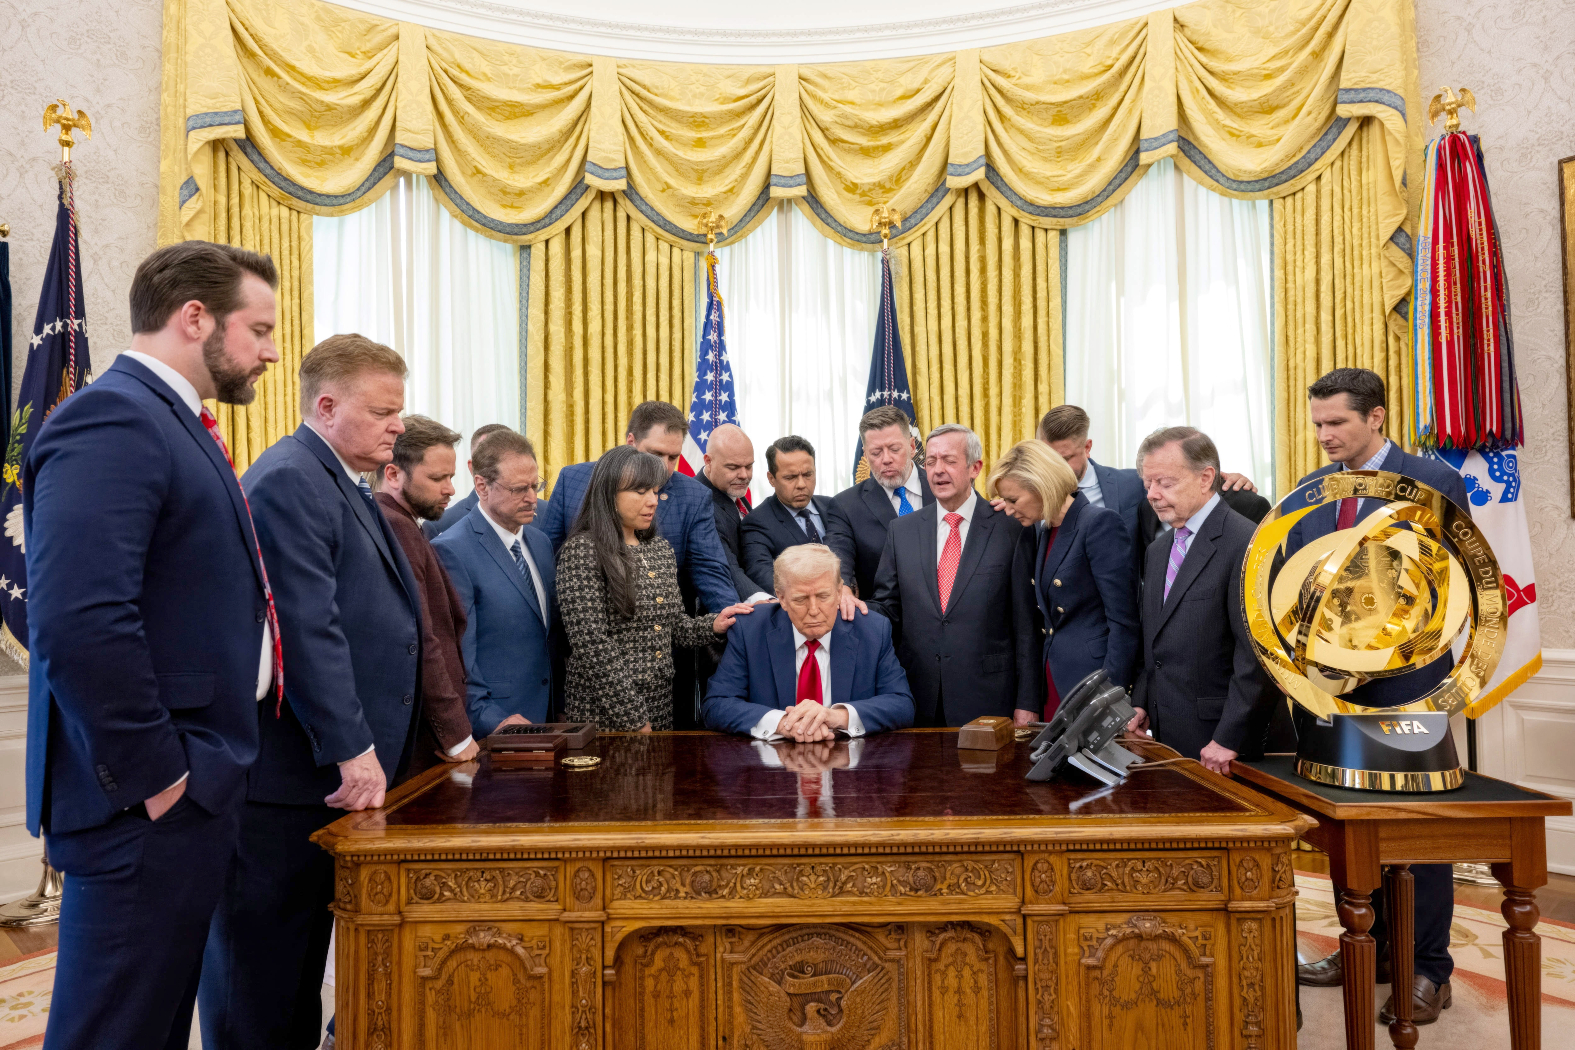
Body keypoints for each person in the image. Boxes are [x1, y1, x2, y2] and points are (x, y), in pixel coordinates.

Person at [24, 242, 279, 1050]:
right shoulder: (114, 417)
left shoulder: (172, 420)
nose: (272, 352)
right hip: (143, 804)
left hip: (185, 795)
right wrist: (161, 777)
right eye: (260, 329)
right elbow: (79, 621)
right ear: (194, 317)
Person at [201, 334, 421, 1050]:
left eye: (399, 411)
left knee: (295, 976)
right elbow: (304, 627)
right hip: (288, 779)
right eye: (382, 412)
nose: (398, 426)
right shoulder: (292, 477)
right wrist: (351, 748)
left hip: (317, 781)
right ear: (326, 407)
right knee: (259, 984)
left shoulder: (338, 477)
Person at [1289, 368, 1470, 1026]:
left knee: (1415, 832)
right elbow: (1297, 584)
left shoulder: (1432, 481)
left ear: (1376, 417)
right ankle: (1367, 950)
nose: (1323, 434)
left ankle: (1428, 970)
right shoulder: (1312, 490)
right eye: (1317, 423)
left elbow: (1447, 584)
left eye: (1336, 422)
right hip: (1332, 693)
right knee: (1350, 827)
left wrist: (1374, 652)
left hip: (1407, 687)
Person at [537, 401, 741, 729]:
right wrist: (633, 717)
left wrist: (714, 624)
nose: (652, 501)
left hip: (660, 705)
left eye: (655, 492)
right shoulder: (582, 551)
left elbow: (673, 626)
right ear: (610, 494)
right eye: (641, 491)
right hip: (605, 711)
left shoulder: (658, 549)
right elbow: (592, 646)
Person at [1124, 427, 1274, 771]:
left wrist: (1229, 738)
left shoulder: (1248, 544)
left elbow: (1257, 659)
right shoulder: (1158, 550)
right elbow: (1155, 640)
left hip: (1221, 745)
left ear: (1206, 478)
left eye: (1165, 483)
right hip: (1166, 736)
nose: (1152, 494)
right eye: (1148, 484)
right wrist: (1142, 701)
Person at [868, 425, 1037, 727]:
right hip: (919, 697)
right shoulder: (902, 530)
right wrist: (850, 606)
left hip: (990, 698)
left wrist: (1028, 701)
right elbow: (887, 608)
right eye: (930, 461)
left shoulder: (1011, 527)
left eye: (949, 460)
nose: (938, 470)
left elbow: (1026, 624)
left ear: (975, 468)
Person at [987, 439, 1139, 722]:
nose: (1007, 509)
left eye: (1013, 500)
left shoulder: (1099, 523)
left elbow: (1123, 623)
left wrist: (1109, 698)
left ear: (1041, 487)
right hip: (1054, 681)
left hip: (1091, 685)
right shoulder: (1043, 530)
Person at [703, 544, 915, 740]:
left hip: (850, 762)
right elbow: (717, 705)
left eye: (823, 596)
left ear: (839, 592)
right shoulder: (750, 630)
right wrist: (784, 724)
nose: (814, 610)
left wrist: (836, 717)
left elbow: (902, 704)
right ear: (781, 598)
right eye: (800, 599)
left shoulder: (872, 630)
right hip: (771, 763)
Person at [371, 415, 481, 774]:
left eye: (451, 477)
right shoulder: (395, 527)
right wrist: (456, 734)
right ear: (393, 474)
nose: (450, 489)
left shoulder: (401, 522)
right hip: (421, 740)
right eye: (437, 478)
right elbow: (420, 639)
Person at [433, 431, 558, 735]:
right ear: (482, 486)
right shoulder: (452, 550)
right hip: (497, 724)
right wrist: (491, 719)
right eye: (519, 489)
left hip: (549, 717)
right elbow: (458, 656)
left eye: (535, 486)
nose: (532, 498)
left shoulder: (541, 543)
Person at [1037, 405, 1268, 568]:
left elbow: (1184, 476)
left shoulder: (1130, 485)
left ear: (1087, 448)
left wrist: (1224, 479)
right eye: (1148, 485)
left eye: (1064, 458)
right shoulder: (1028, 494)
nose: (1152, 494)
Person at [834, 405, 933, 598]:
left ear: (912, 446)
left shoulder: (943, 487)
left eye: (895, 449)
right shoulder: (845, 505)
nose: (886, 459)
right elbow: (838, 555)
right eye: (876, 453)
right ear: (865, 454)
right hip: (883, 611)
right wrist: (843, 588)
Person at [741, 435, 858, 596]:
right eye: (790, 477)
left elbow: (853, 554)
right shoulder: (757, 522)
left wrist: (849, 585)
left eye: (808, 474)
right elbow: (762, 575)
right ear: (771, 479)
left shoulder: (834, 506)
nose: (801, 484)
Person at [695, 423, 771, 602]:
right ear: (708, 461)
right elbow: (725, 565)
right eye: (733, 467)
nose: (744, 475)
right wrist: (762, 599)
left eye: (749, 466)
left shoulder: (731, 489)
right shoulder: (700, 503)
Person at [422, 422, 517, 539]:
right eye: (490, 461)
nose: (501, 468)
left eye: (510, 461)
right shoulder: (441, 526)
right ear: (472, 468)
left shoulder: (536, 512)